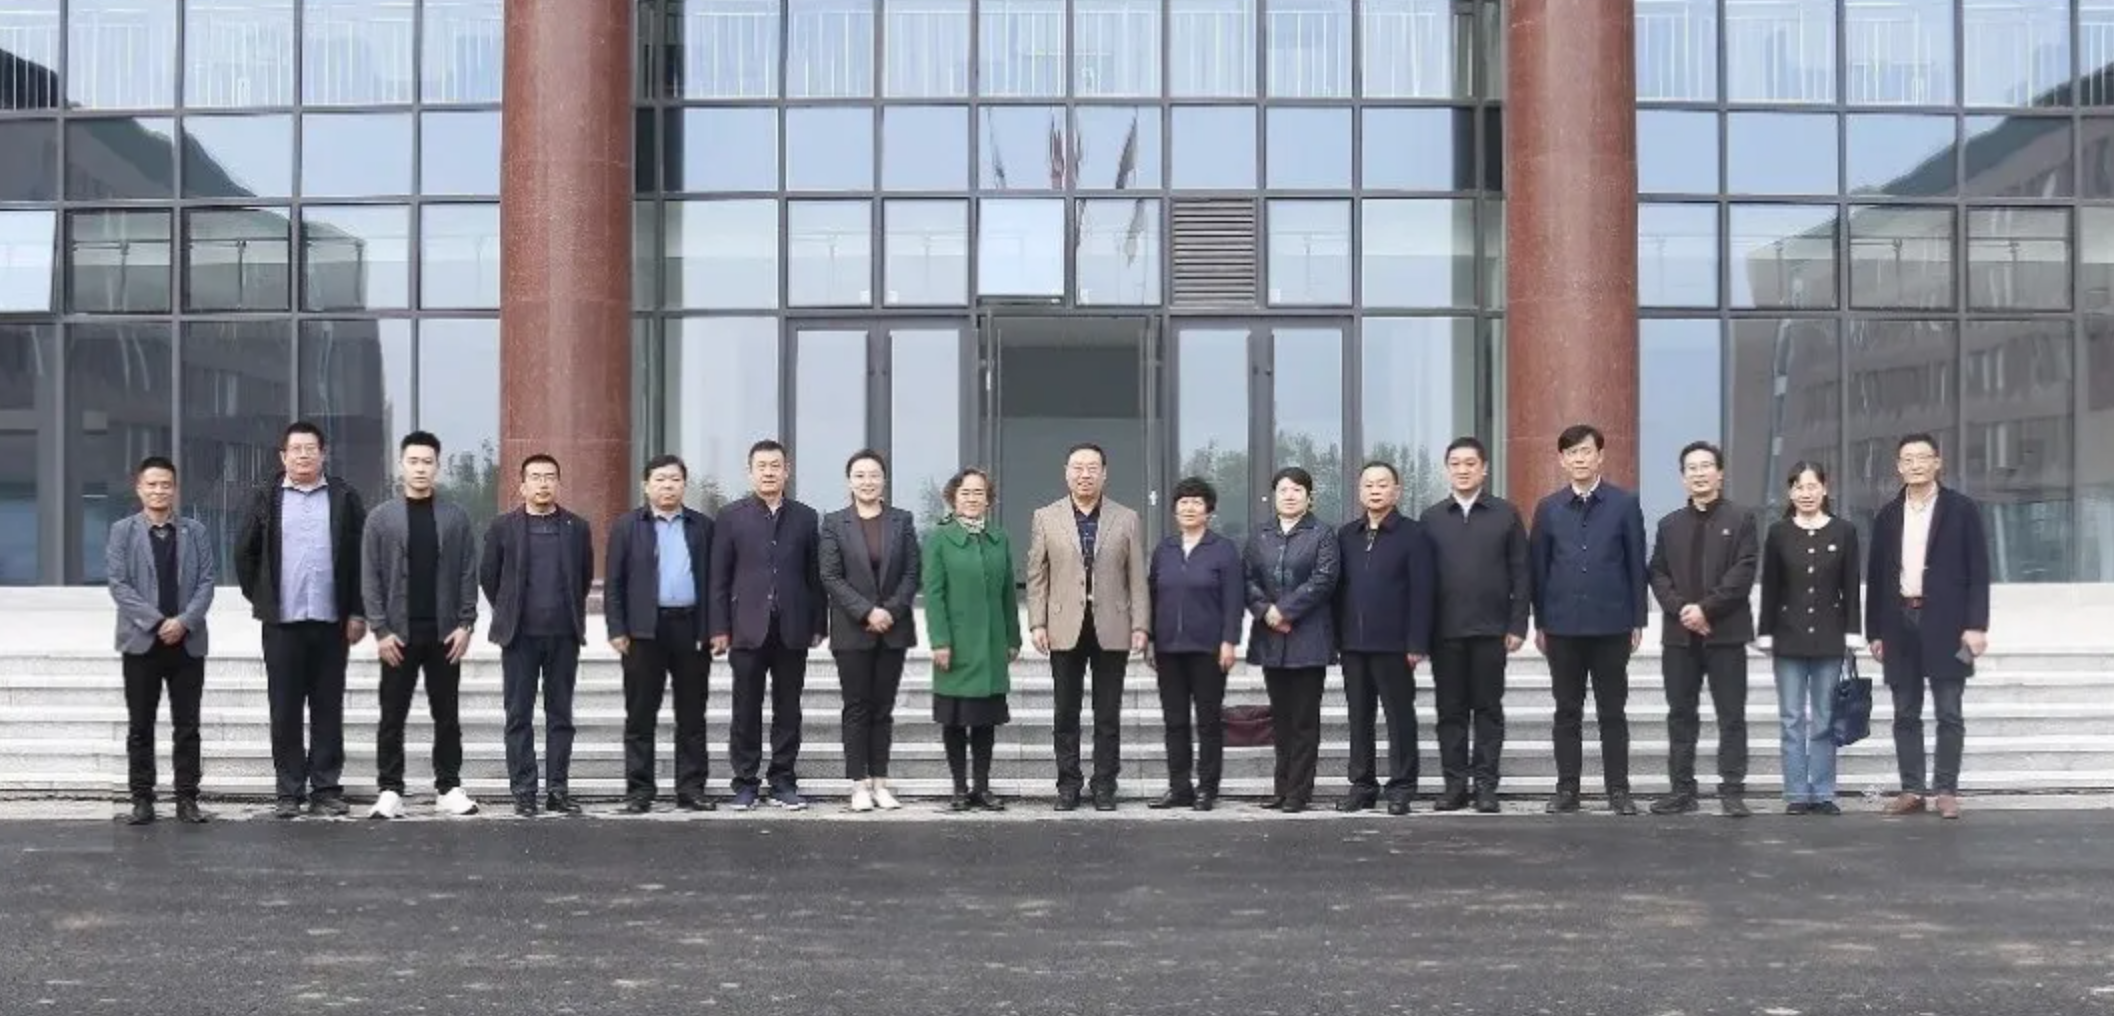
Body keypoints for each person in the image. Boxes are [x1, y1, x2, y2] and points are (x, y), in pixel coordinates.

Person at [233, 421, 368, 820]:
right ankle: (289, 791)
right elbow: (244, 553)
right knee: (285, 709)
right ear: (283, 456)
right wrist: (263, 598)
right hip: (283, 624)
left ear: (323, 454)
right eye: (296, 449)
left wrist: (357, 610)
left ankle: (325, 788)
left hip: (331, 622)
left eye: (311, 448)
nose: (304, 455)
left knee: (328, 707)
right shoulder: (265, 497)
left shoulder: (344, 497)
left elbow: (361, 558)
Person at [1866, 433, 1991, 821]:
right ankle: (1912, 789)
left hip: (1949, 624)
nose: (1915, 465)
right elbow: (1876, 576)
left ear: (1937, 462)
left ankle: (1946, 790)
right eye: (1908, 459)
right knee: (1905, 712)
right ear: (1898, 467)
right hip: (1898, 621)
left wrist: (1976, 625)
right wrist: (1874, 632)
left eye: (1923, 457)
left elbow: (1979, 571)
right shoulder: (1888, 515)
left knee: (1949, 711)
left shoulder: (1961, 509)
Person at [360, 431, 481, 820]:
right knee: (391, 715)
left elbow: (468, 572)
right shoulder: (381, 518)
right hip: (397, 634)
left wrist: (466, 623)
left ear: (437, 467)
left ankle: (448, 787)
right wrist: (380, 630)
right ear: (402, 465)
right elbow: (370, 577)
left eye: (427, 462)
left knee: (447, 715)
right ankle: (390, 790)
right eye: (413, 461)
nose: (420, 468)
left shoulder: (455, 517)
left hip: (445, 634)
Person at [1528, 423, 1647, 817]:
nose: (1579, 459)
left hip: (1612, 626)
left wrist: (1638, 620)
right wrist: (1540, 623)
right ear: (1562, 460)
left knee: (1612, 712)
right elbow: (1538, 568)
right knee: (1567, 712)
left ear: (1600, 456)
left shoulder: (1624, 504)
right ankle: (1567, 789)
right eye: (1572, 453)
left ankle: (1619, 791)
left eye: (1586, 451)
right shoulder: (1548, 508)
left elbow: (1636, 564)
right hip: (1562, 627)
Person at [1026, 443, 1149, 812]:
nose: (1085, 474)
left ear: (1104, 473)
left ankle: (1105, 784)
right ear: (1066, 472)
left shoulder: (1126, 518)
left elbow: (1136, 577)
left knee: (1107, 714)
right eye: (1078, 467)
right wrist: (1037, 622)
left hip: (1112, 624)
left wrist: (1141, 624)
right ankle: (1068, 784)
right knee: (1065, 713)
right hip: (1064, 625)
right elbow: (1037, 575)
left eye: (1092, 468)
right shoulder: (1045, 517)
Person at [710, 440, 828, 811]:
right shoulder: (731, 516)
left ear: (786, 471)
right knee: (745, 709)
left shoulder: (805, 517)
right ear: (750, 472)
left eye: (775, 465)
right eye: (761, 466)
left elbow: (815, 576)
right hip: (746, 627)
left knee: (788, 710)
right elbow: (719, 578)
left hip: (792, 627)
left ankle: (782, 781)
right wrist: (718, 627)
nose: (769, 472)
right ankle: (745, 783)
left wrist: (818, 623)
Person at [1645, 441, 1760, 819]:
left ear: (1720, 473)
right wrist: (1683, 610)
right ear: (1683, 477)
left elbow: (1743, 571)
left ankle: (1732, 790)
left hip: (1726, 634)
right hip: (1680, 637)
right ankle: (1682, 790)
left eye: (1706, 466)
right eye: (1691, 468)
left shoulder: (1741, 519)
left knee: (1731, 715)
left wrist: (1706, 609)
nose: (1699, 473)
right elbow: (1657, 574)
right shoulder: (1669, 525)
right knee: (1680, 714)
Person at [1418, 437, 1530, 814]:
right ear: (1447, 469)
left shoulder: (1506, 514)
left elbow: (1521, 573)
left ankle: (1485, 786)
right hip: (1445, 632)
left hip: (1491, 631)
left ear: (1484, 469)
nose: (1463, 469)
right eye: (1456, 463)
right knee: (1450, 712)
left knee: (1487, 710)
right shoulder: (1432, 518)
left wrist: (1518, 624)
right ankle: (1454, 786)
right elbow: (1421, 581)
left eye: (1470, 463)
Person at [480, 453, 595, 817]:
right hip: (519, 637)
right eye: (535, 476)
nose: (543, 483)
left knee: (561, 716)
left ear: (558, 483)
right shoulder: (503, 527)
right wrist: (510, 610)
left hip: (563, 635)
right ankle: (524, 792)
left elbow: (583, 577)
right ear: (522, 485)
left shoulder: (577, 527)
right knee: (519, 716)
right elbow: (490, 577)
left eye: (549, 476)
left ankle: (557, 790)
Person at [105, 456, 215, 825]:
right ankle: (142, 799)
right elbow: (119, 584)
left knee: (188, 726)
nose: (159, 490)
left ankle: (187, 798)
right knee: (141, 726)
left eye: (165, 484)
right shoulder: (122, 531)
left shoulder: (196, 532)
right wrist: (156, 622)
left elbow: (206, 583)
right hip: (142, 643)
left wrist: (183, 622)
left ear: (175, 489)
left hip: (187, 643)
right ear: (139, 489)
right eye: (151, 484)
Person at [608, 455, 715, 814]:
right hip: (643, 631)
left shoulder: (702, 526)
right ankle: (639, 791)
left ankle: (691, 789)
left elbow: (715, 582)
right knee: (640, 714)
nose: (667, 485)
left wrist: (715, 628)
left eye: (674, 479)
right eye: (660, 479)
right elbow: (614, 582)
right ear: (646, 485)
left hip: (690, 628)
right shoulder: (627, 526)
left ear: (684, 484)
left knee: (692, 714)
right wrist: (617, 628)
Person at [818, 449, 921, 812]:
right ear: (850, 481)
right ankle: (858, 784)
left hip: (893, 629)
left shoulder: (902, 520)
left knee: (883, 709)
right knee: (857, 707)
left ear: (884, 480)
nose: (867, 481)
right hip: (852, 630)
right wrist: (867, 612)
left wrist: (889, 611)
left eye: (874, 475)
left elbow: (912, 572)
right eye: (860, 475)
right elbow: (830, 576)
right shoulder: (834, 523)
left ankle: (880, 782)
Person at [1756, 462, 1861, 816]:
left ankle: (1823, 791)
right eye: (1799, 487)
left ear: (1825, 488)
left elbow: (1851, 587)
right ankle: (1796, 793)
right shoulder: (1779, 533)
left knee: (1824, 717)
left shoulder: (1844, 531)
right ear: (1790, 492)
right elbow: (1771, 587)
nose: (1806, 493)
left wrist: (1853, 631)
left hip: (1830, 638)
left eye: (1812, 486)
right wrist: (1765, 632)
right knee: (1791, 718)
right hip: (1788, 638)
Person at [1334, 462, 1436, 816]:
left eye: (1382, 484)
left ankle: (1402, 786)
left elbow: (1423, 592)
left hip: (1395, 645)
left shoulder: (1414, 534)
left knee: (1399, 717)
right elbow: (1338, 590)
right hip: (1353, 644)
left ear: (1397, 490)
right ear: (1360, 491)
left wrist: (1417, 642)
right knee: (1358, 718)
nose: (1375, 490)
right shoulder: (1347, 535)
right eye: (1369, 485)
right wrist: (1337, 637)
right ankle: (1362, 785)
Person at [922, 468, 1021, 812]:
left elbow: (1008, 593)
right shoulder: (939, 538)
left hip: (991, 644)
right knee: (954, 720)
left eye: (979, 493)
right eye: (965, 492)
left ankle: (982, 787)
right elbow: (933, 595)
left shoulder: (999, 538)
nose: (972, 498)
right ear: (953, 497)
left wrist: (1012, 637)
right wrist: (939, 641)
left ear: (988, 499)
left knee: (984, 721)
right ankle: (959, 788)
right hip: (956, 645)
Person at [1245, 467, 1340, 814]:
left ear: (1309, 496)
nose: (1290, 495)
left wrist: (1284, 611)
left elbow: (1324, 579)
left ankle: (1299, 792)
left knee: (1303, 720)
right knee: (1281, 718)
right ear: (1274, 495)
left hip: (1309, 638)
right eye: (1283, 489)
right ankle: (1282, 788)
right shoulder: (1260, 535)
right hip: (1271, 640)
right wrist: (1265, 610)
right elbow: (1247, 578)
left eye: (1297, 489)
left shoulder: (1323, 534)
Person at [1145, 476, 1244, 812]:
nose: (1189, 508)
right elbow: (1152, 596)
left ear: (1209, 510)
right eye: (1183, 502)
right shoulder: (1165, 550)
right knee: (1174, 722)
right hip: (1168, 650)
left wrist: (1230, 641)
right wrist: (1150, 639)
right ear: (1175, 509)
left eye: (1197, 502)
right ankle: (1179, 788)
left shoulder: (1223, 550)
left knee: (1208, 721)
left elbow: (1234, 600)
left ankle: (1207, 789)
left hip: (1208, 650)